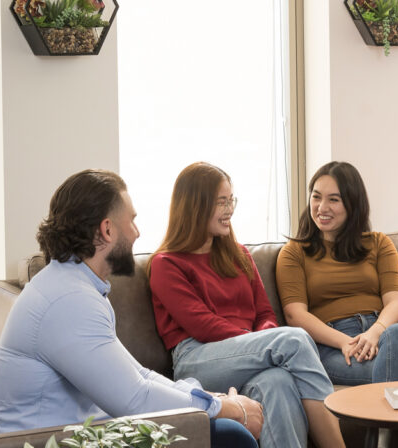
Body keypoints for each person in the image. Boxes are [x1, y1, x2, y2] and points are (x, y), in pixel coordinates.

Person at [0, 169, 259, 448]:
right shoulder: (69, 300)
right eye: (132, 221)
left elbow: (139, 374)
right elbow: (137, 399)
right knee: (231, 435)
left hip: (78, 435)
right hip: (45, 443)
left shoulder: (76, 286)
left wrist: (213, 399)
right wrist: (226, 409)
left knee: (223, 426)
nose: (137, 233)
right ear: (107, 230)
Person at [148, 162, 345, 448]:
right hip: (198, 358)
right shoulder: (166, 264)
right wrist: (260, 344)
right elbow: (202, 326)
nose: (229, 209)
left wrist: (261, 340)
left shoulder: (239, 255)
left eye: (231, 200)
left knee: (277, 382)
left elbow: (265, 313)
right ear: (195, 206)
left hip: (249, 353)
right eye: (221, 202)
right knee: (294, 339)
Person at [276, 161, 398, 448]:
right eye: (316, 196)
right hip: (333, 348)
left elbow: (396, 303)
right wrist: (345, 342)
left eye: (334, 199)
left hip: (385, 336)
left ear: (353, 204)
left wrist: (375, 332)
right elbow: (295, 315)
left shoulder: (378, 244)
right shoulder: (294, 253)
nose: (322, 207)